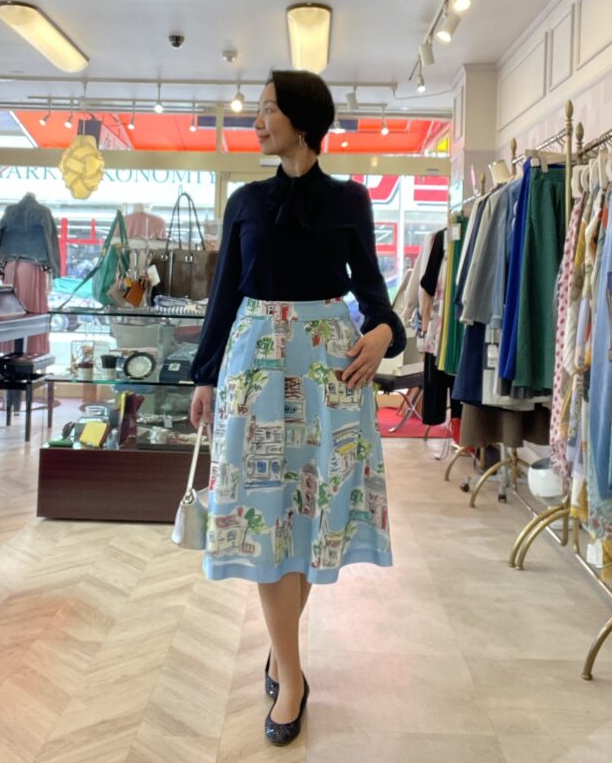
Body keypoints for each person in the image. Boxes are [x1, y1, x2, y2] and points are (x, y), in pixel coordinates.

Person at [190, 70, 405, 746]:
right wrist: (203, 376)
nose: (256, 122)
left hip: (328, 373)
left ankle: (281, 656)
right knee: (264, 516)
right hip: (255, 367)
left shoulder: (351, 200)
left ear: (303, 121)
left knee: (308, 516)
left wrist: (384, 333)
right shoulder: (246, 201)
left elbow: (375, 297)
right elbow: (224, 295)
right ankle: (291, 673)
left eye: (267, 110)